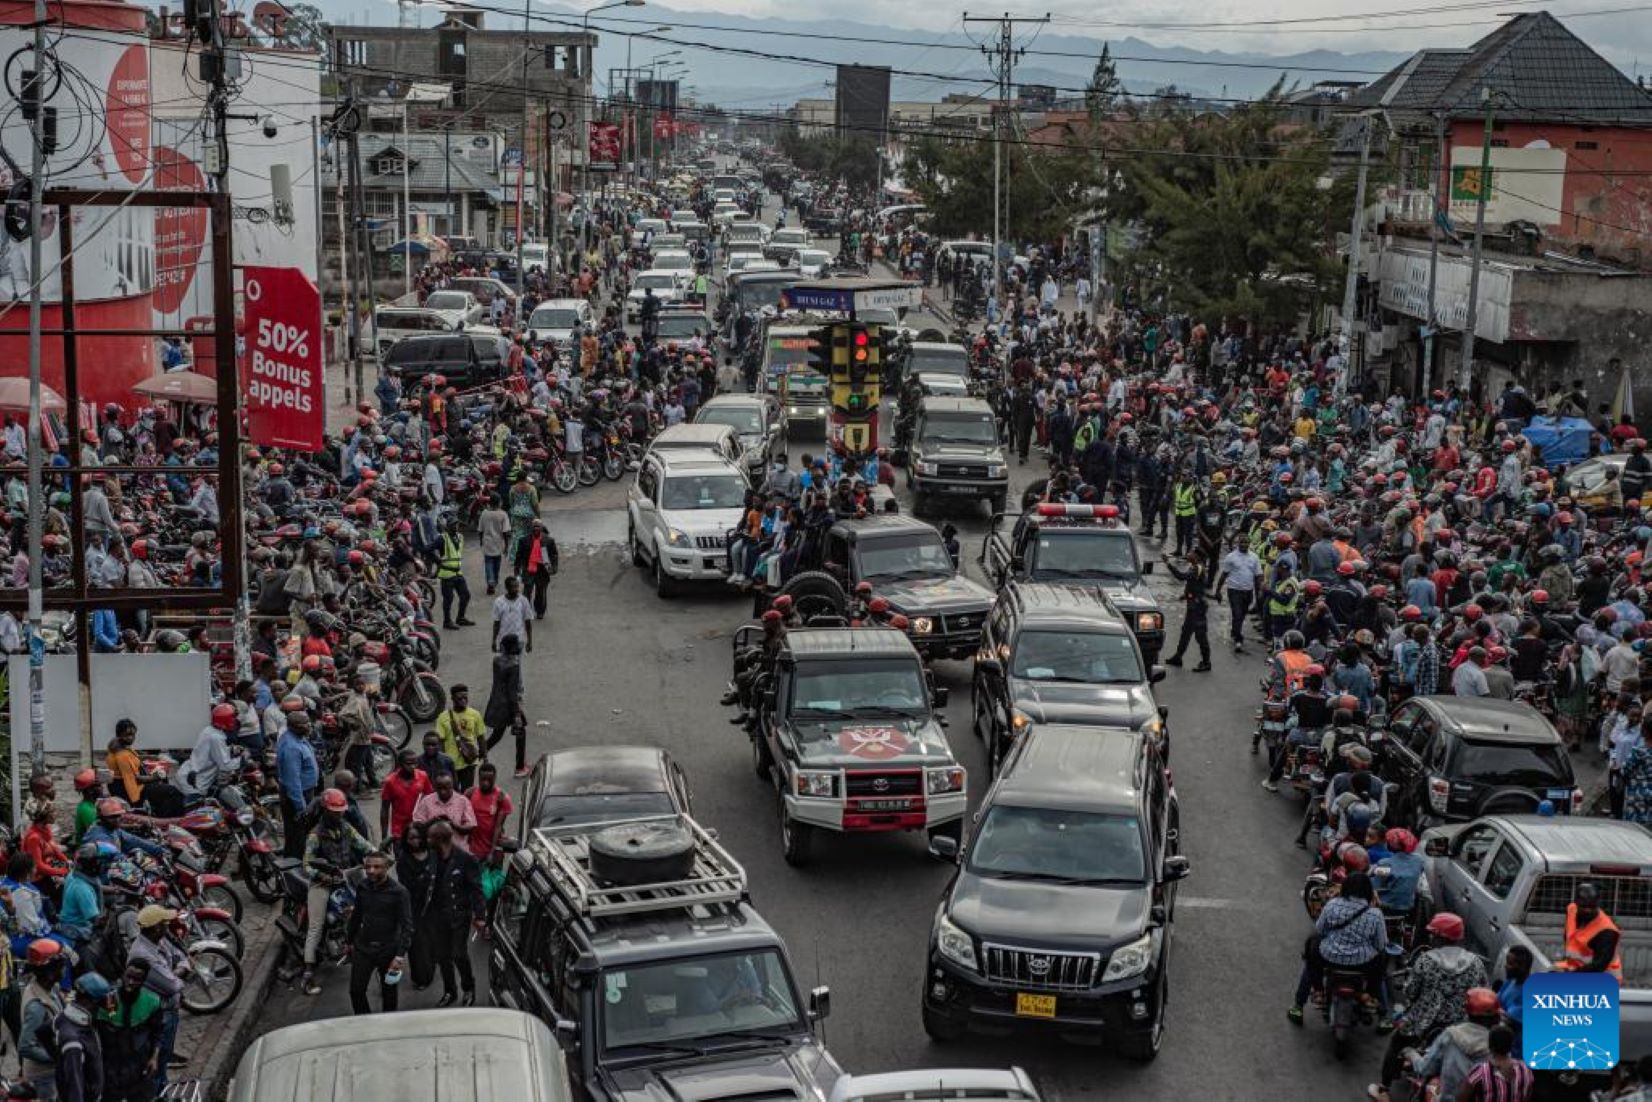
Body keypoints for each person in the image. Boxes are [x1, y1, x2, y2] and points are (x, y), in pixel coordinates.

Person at [1378, 912, 1489, 1093]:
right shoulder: (1475, 963)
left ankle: (1384, 1087)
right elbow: (1483, 991)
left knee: (1397, 1042)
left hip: (1423, 1023)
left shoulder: (1425, 960)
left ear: (1440, 937)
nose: (1430, 936)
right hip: (1460, 1025)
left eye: (1433, 933)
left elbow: (1411, 992)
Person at [299, 789, 372, 997]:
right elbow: (307, 864)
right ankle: (308, 972)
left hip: (345, 877)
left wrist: (377, 856)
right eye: (334, 811)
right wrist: (322, 875)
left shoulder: (345, 828)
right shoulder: (315, 834)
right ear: (325, 810)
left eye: (341, 811)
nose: (339, 814)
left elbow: (363, 845)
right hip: (322, 883)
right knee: (316, 925)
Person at [1289, 871, 1387, 1024]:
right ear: (1368, 891)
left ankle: (1315, 994)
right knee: (1382, 958)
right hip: (1362, 963)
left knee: (1312, 954)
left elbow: (1320, 929)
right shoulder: (1375, 914)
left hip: (1329, 957)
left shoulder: (1332, 905)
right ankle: (1368, 995)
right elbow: (1380, 944)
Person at [1376, 988, 1504, 1102]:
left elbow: (1425, 1068)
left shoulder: (1451, 1035)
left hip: (1448, 1098)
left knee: (1427, 1084)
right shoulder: (1500, 1043)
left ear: (1468, 1012)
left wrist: (1411, 1053)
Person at [422, 819, 485, 1008]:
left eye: (430, 837)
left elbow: (476, 889)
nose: (427, 840)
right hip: (437, 915)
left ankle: (468, 988)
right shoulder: (432, 856)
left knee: (458, 954)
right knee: (442, 956)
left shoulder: (466, 860)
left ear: (439, 838)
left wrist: (480, 916)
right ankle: (450, 992)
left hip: (458, 914)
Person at [125, 906, 187, 1092]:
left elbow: (181, 958)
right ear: (155, 928)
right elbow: (172, 985)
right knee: (157, 1059)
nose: (167, 927)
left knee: (165, 1055)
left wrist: (175, 971)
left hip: (169, 1009)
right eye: (164, 924)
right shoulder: (142, 954)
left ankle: (162, 1087)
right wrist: (179, 972)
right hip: (159, 1014)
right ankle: (158, 1092)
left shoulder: (158, 942)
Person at [344, 849, 412, 1015]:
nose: (371, 871)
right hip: (363, 948)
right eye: (368, 867)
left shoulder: (399, 892)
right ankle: (365, 1022)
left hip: (388, 950)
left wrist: (399, 956)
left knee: (389, 992)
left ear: (387, 868)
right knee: (356, 991)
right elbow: (357, 916)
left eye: (377, 867)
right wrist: (349, 941)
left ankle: (387, 1026)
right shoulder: (363, 886)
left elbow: (407, 926)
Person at [96, 960, 163, 1102]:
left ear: (144, 981)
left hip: (140, 1063)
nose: (130, 982)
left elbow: (157, 1033)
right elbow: (101, 1029)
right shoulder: (111, 1000)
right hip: (113, 1064)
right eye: (128, 977)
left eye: (137, 979)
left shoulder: (151, 1001)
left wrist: (154, 1058)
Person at [19, 940, 67, 1100]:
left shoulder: (50, 987)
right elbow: (25, 1047)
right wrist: (57, 1056)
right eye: (61, 967)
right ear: (50, 972)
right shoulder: (36, 1006)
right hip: (43, 1076)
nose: (64, 970)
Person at [53, 973, 112, 1102]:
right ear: (89, 1002)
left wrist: (59, 1062)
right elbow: (74, 1087)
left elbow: (43, 1032)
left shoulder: (63, 1017)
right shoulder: (74, 1041)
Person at [395, 822, 437, 991]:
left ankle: (431, 969)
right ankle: (420, 978)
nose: (416, 841)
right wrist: (424, 879)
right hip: (414, 907)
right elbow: (406, 886)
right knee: (417, 944)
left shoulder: (433, 854)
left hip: (434, 906)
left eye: (419, 837)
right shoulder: (404, 860)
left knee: (433, 940)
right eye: (412, 838)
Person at [276, 710, 319, 859]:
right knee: (296, 837)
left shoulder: (298, 738)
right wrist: (302, 809)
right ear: (293, 726)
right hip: (296, 798)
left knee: (300, 835)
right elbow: (292, 782)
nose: (309, 725)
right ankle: (292, 869)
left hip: (305, 793)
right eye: (305, 723)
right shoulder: (291, 747)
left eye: (308, 721)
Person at [1556, 881, 1622, 979]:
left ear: (1597, 904)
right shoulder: (1572, 910)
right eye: (1584, 906)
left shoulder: (1607, 931)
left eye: (1592, 907)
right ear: (1576, 903)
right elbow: (1569, 937)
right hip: (1577, 967)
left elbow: (1599, 966)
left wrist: (1570, 976)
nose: (1588, 910)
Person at [484, 635, 527, 775]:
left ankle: (477, 755)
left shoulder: (496, 660)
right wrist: (517, 714)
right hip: (508, 705)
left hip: (496, 701)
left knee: (496, 735)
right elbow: (512, 692)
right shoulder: (514, 665)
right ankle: (520, 767)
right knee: (520, 731)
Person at [1164, 550, 1213, 672]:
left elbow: (1181, 577)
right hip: (1193, 606)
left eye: (1191, 553)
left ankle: (1206, 662)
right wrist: (1186, 595)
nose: (1189, 554)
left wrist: (1168, 563)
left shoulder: (1197, 568)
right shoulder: (1196, 567)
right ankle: (1178, 657)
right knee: (1185, 632)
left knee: (1200, 635)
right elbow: (1196, 586)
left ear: (1197, 556)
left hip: (1198, 608)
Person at [1458, 1024, 1534, 1102]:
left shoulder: (1479, 1072)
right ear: (1511, 1045)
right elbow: (1527, 1096)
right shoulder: (1525, 1069)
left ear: (1490, 1046)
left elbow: (1462, 1099)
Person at [435, 686, 486, 789]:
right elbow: (440, 741)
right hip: (450, 763)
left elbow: (480, 736)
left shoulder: (475, 714)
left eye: (465, 698)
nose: (463, 701)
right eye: (459, 698)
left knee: (467, 793)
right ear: (452, 698)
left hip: (469, 762)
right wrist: (441, 760)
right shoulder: (443, 717)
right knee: (452, 793)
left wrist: (484, 756)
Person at [379, 751, 433, 843]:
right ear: (400, 764)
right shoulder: (390, 782)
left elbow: (430, 798)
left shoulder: (423, 776)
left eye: (415, 763)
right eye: (408, 764)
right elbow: (385, 809)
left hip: (420, 826)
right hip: (399, 830)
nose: (413, 766)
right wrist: (384, 836)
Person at [465, 763, 514, 860]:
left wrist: (492, 852)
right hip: (473, 848)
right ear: (478, 778)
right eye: (483, 779)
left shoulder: (502, 798)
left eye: (489, 780)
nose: (485, 783)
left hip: (492, 848)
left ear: (495, 778)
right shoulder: (470, 793)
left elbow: (498, 827)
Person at [412, 771, 476, 838]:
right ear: (435, 787)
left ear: (452, 785)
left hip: (457, 846)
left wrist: (454, 825)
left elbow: (471, 827)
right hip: (432, 847)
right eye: (439, 788)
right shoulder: (426, 801)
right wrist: (431, 822)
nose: (443, 792)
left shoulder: (463, 801)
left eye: (446, 788)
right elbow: (417, 826)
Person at [437, 517, 473, 630]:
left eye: (456, 525)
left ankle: (460, 618)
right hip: (446, 574)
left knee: (466, 595)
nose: (455, 527)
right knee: (448, 599)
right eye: (453, 525)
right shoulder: (442, 538)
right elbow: (428, 549)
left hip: (458, 573)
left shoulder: (459, 537)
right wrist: (437, 561)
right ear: (447, 527)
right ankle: (447, 621)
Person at [1496, 944, 1533, 1051]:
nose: (1505, 966)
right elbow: (1495, 1002)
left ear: (1522, 967)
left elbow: (1508, 1020)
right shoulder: (1510, 981)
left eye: (1510, 964)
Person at [491, 574, 534, 654]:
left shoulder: (523, 601)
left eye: (517, 586)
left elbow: (528, 622)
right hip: (503, 640)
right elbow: (496, 623)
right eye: (513, 587)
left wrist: (530, 641)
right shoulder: (498, 602)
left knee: (516, 664)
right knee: (504, 664)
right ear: (507, 588)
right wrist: (494, 640)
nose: (516, 589)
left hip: (519, 640)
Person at [478, 495, 510, 595]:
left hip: (487, 542)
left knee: (488, 562)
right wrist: (507, 545)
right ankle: (494, 580)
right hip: (498, 542)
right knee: (497, 563)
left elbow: (480, 530)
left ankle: (490, 582)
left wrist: (481, 541)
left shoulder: (484, 513)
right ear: (499, 502)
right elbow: (505, 532)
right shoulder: (503, 514)